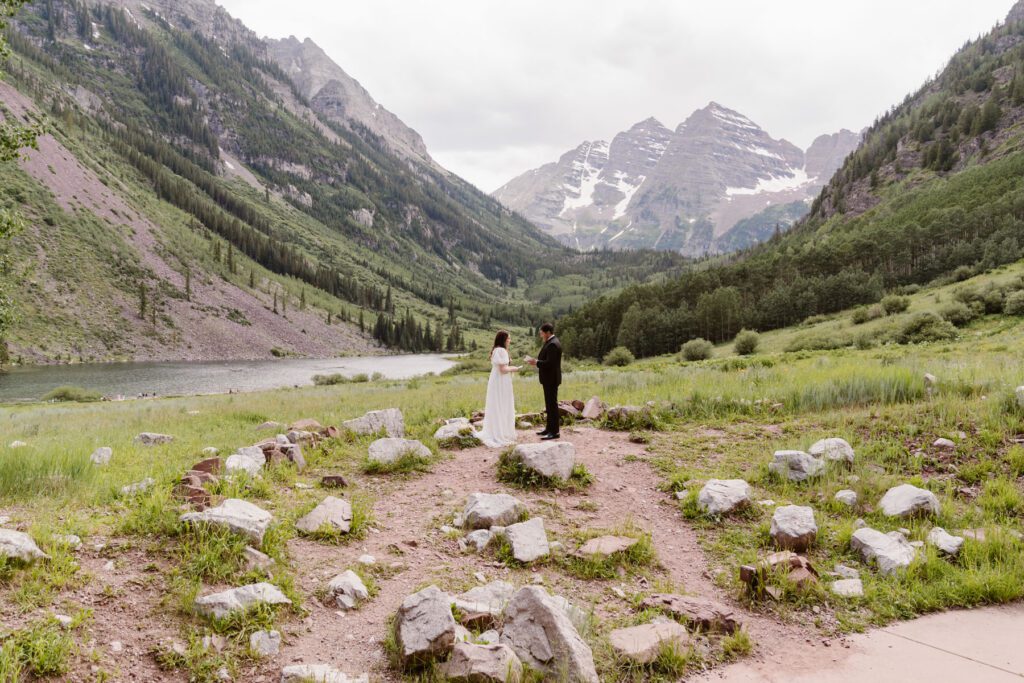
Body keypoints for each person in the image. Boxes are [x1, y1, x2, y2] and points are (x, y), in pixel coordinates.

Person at [478, 330, 521, 448]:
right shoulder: (501, 350)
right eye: (508, 338)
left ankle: (498, 430)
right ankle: (501, 433)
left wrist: (510, 367)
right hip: (501, 381)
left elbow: (501, 368)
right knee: (502, 403)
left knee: (497, 404)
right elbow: (503, 369)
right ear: (503, 339)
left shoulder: (496, 349)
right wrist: (515, 369)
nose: (510, 340)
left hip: (497, 380)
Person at [525, 323, 562, 440]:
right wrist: (536, 362)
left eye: (541, 333)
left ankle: (555, 432)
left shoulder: (553, 344)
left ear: (548, 332)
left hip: (551, 379)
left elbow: (550, 364)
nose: (541, 335)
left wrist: (536, 362)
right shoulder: (550, 342)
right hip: (548, 379)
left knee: (552, 405)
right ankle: (548, 428)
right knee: (549, 405)